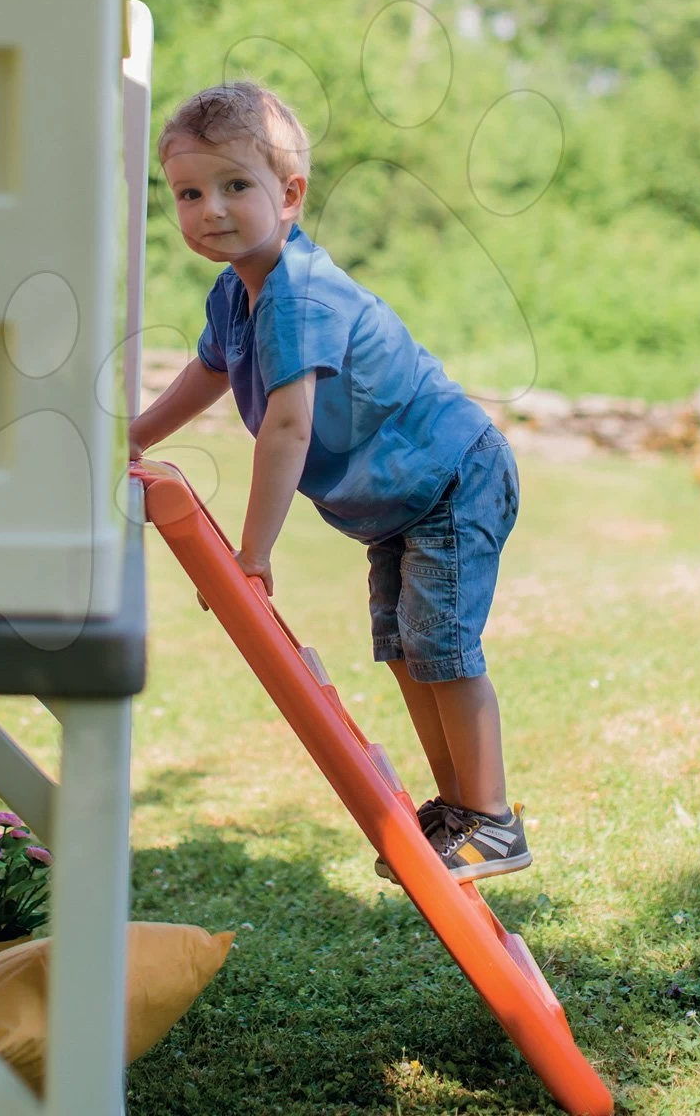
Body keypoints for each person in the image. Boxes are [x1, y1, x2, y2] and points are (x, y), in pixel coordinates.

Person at [128, 81, 530, 884]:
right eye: (189, 192)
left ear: (289, 193)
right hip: (402, 503)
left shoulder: (298, 295)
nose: (211, 208)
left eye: (235, 186)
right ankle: (457, 812)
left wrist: (252, 553)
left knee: (443, 648)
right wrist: (130, 437)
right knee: (407, 652)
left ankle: (492, 820)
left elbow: (287, 425)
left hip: (452, 477)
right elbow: (208, 372)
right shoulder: (234, 293)